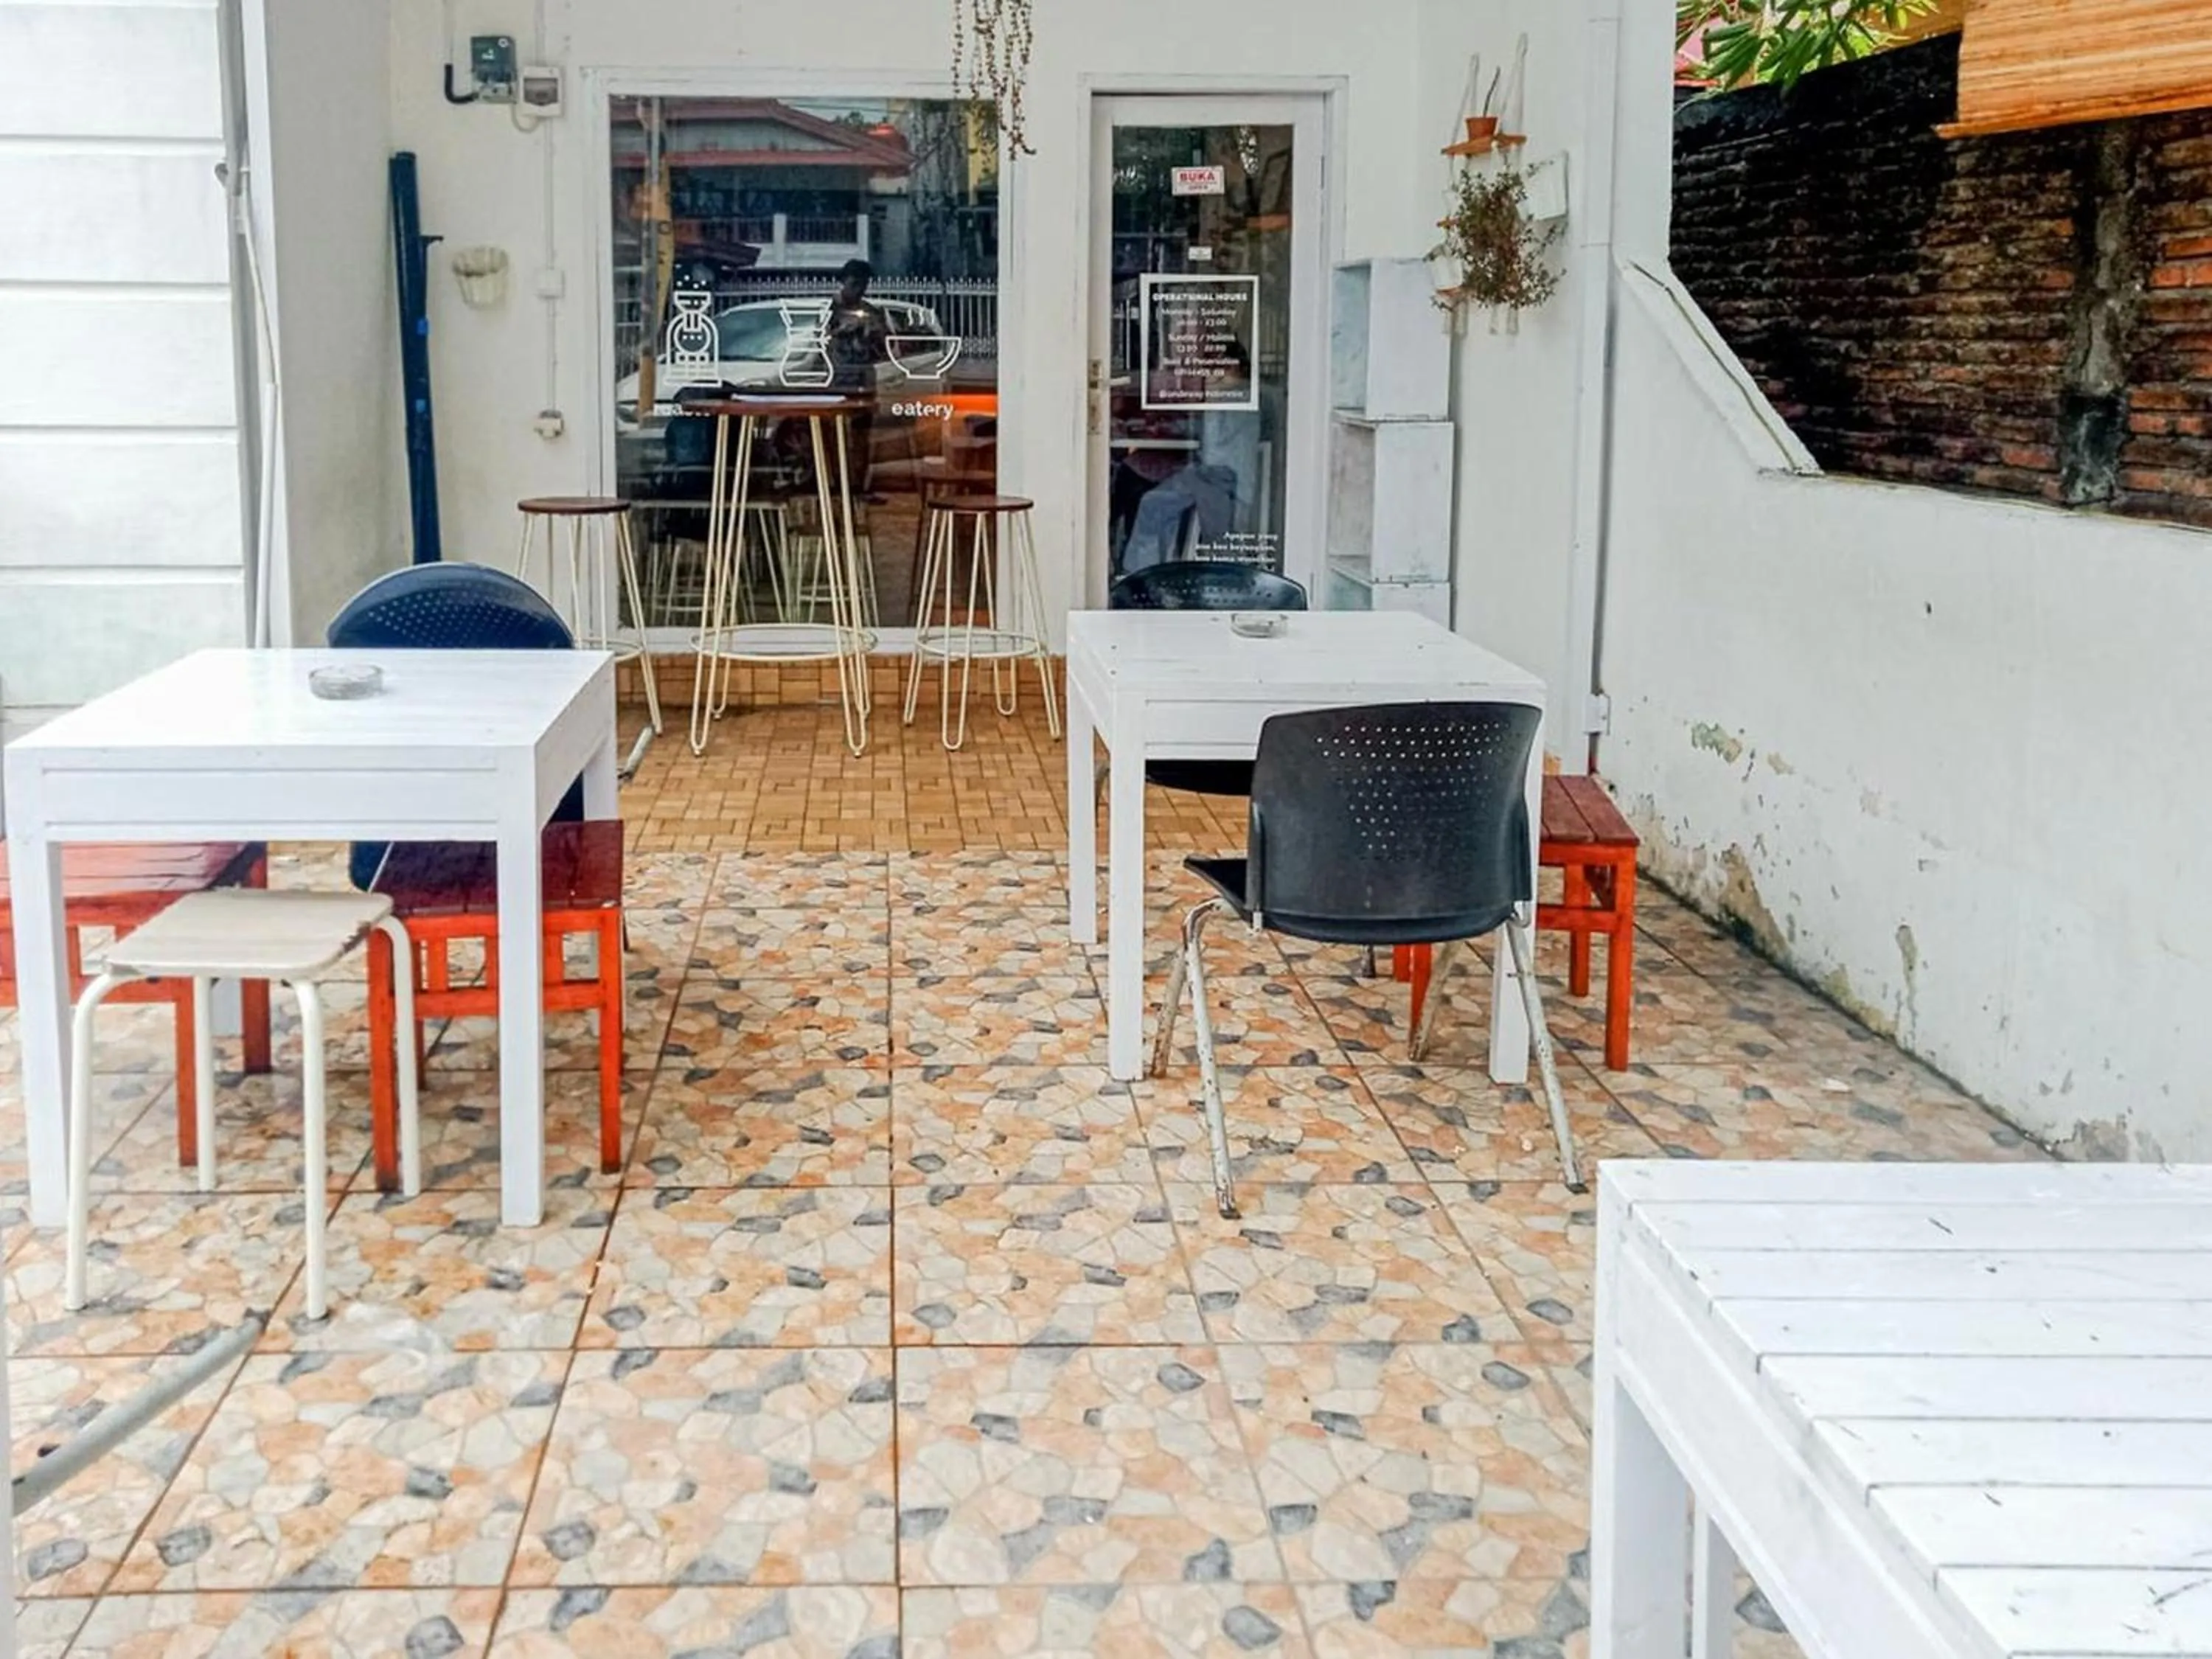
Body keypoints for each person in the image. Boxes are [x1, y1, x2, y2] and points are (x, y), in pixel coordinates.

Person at [824, 259, 889, 497]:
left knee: (861, 437)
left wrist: (874, 333)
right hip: (837, 380)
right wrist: (841, 331)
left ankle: (858, 486)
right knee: (834, 434)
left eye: (864, 285)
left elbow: (886, 348)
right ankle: (835, 483)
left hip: (863, 380)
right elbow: (817, 341)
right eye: (855, 284)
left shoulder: (871, 311)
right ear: (843, 282)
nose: (860, 290)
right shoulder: (828, 310)